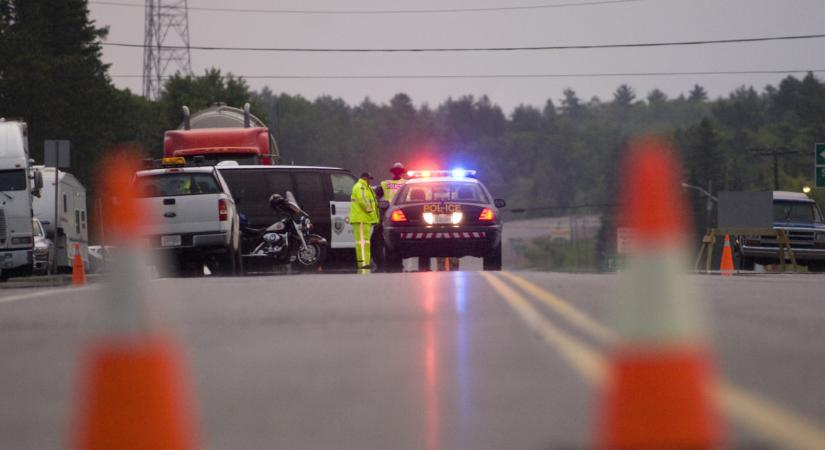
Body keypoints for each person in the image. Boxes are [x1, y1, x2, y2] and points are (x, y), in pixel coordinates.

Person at [373, 162, 407, 271]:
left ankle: (387, 264)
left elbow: (376, 197)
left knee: (386, 241)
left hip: (388, 216)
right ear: (402, 172)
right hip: (403, 216)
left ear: (392, 172)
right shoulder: (406, 183)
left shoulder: (385, 184)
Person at [350, 172, 379, 273]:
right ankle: (363, 263)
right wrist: (370, 211)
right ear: (365, 178)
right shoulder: (360, 187)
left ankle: (365, 262)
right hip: (361, 218)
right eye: (369, 179)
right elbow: (363, 200)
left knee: (365, 242)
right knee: (362, 242)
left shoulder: (365, 187)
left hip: (364, 219)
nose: (370, 181)